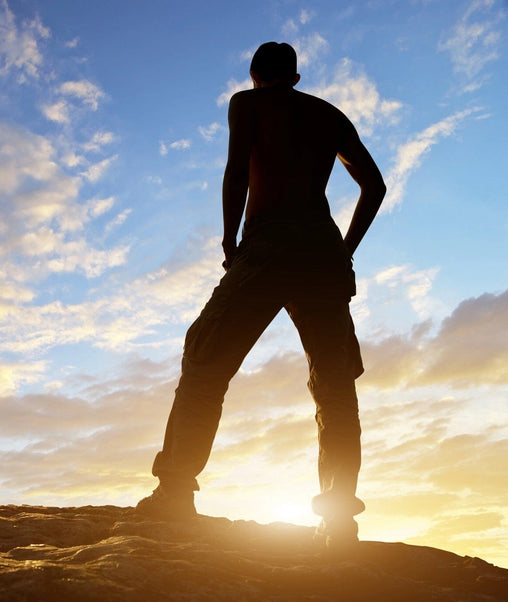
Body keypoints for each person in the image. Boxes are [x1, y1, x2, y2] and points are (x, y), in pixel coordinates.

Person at [135, 42, 386, 550]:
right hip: (320, 252)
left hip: (269, 245)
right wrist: (344, 250)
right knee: (335, 385)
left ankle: (175, 492)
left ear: (255, 75)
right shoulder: (330, 114)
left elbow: (235, 171)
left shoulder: (247, 104)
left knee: (205, 359)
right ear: (294, 77)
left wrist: (230, 239)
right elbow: (374, 185)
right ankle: (339, 521)